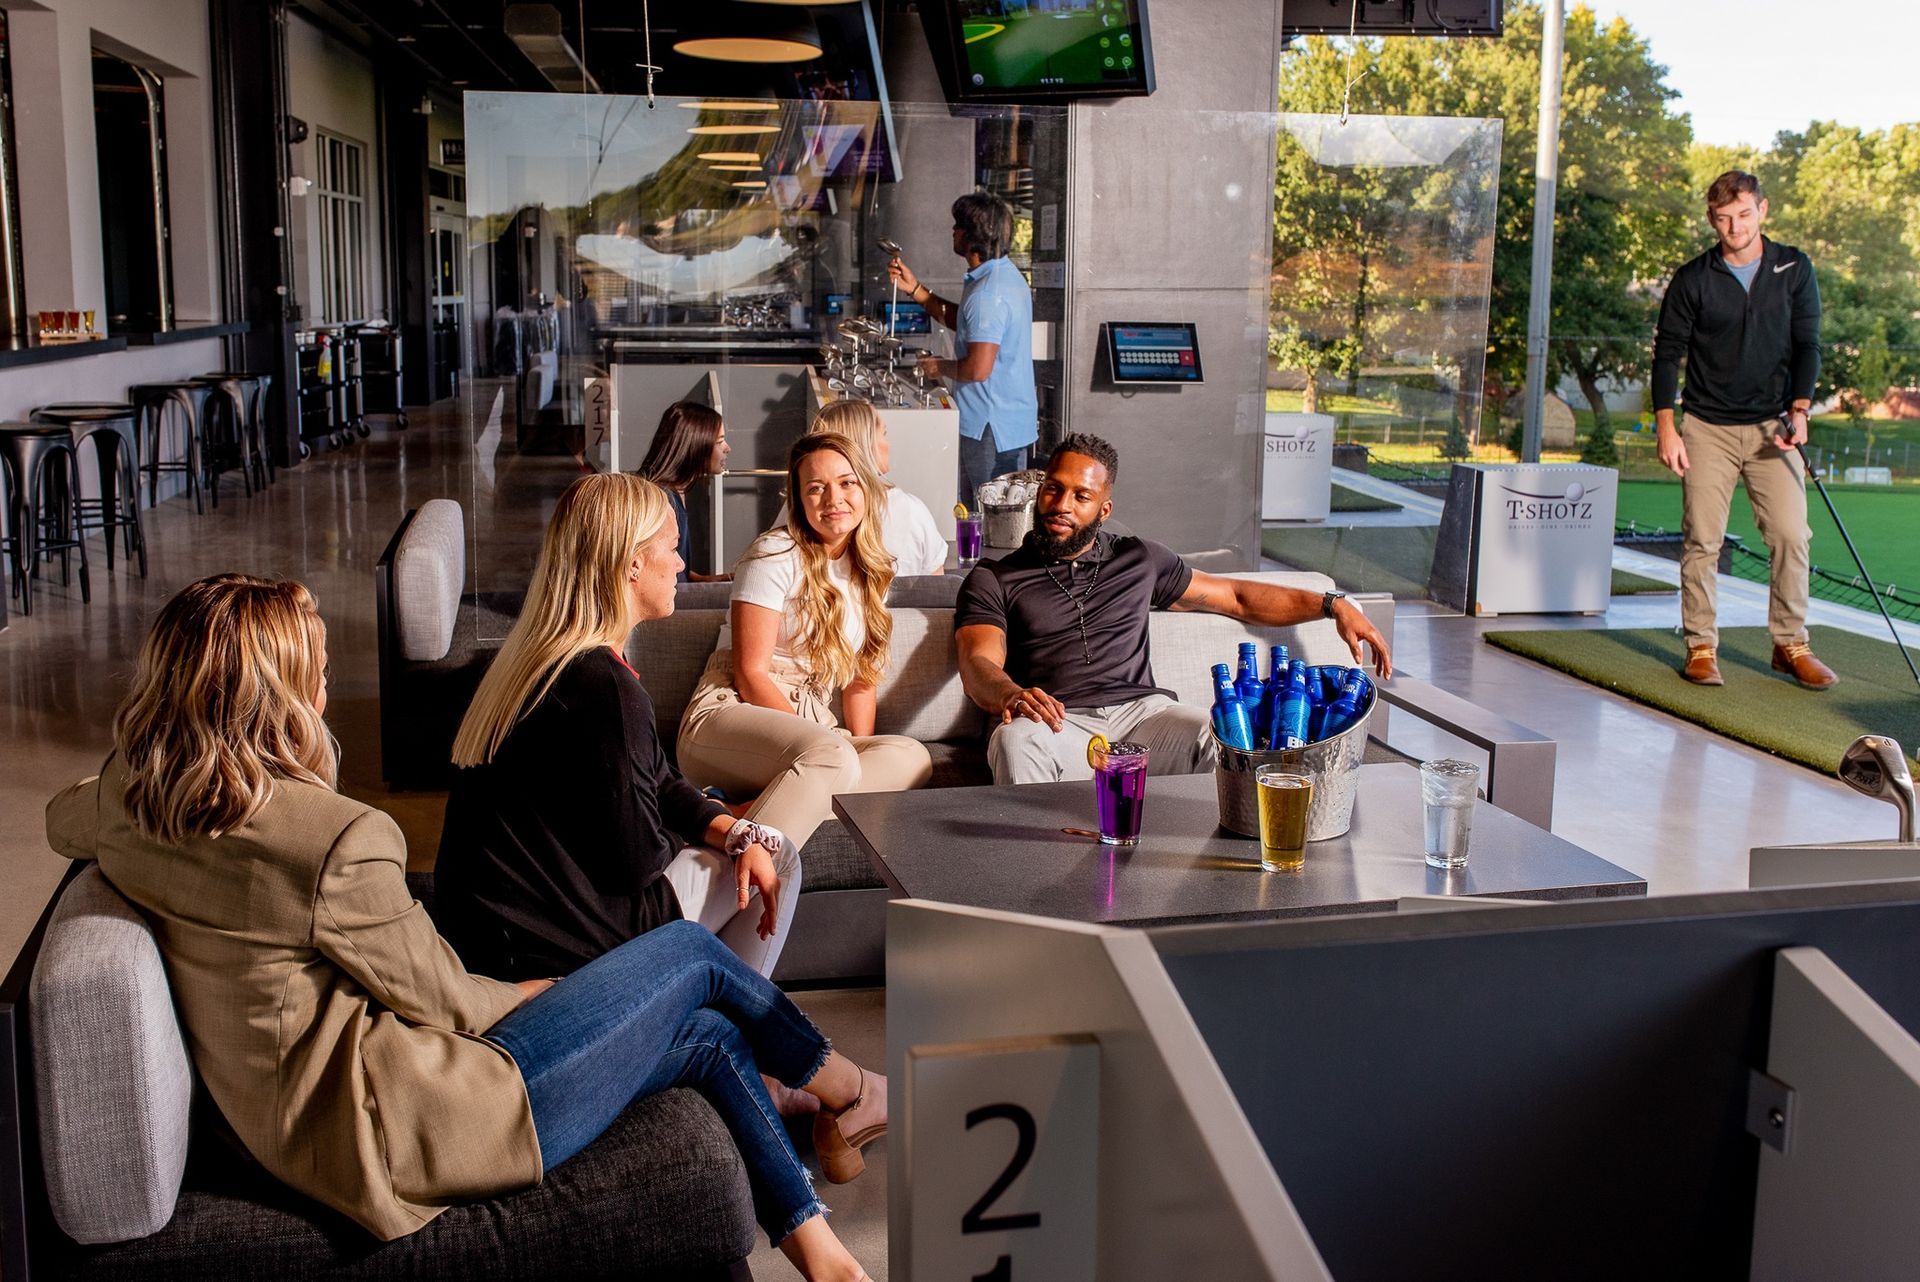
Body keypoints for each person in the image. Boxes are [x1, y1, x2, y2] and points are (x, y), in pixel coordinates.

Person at [44, 574, 883, 1282]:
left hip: (314, 1120)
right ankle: (845, 1086)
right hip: (420, 1125)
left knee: (702, 1032)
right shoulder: (331, 840)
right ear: (280, 695)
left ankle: (821, 1253)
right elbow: (448, 1004)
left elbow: (59, 819)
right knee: (693, 957)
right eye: (319, 674)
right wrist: (539, 993)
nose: (327, 692)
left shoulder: (128, 802)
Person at [438, 473, 800, 980]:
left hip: (500, 936)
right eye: (673, 549)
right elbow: (636, 861)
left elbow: (655, 778)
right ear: (632, 563)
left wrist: (729, 829)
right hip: (565, 945)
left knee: (749, 844)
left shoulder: (537, 661)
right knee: (777, 857)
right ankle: (723, 1018)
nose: (680, 564)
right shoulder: (607, 688)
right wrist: (703, 837)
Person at [955, 434, 1393, 785]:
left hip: (1145, 717)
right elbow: (978, 662)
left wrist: (1333, 604)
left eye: (1081, 496)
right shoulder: (994, 577)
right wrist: (1011, 693)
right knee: (1014, 742)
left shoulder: (1138, 559)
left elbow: (1236, 596)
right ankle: (1025, 881)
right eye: (1054, 489)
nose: (1062, 505)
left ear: (1103, 509)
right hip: (1058, 722)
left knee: (1216, 733)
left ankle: (1209, 879)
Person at [678, 433, 933, 849]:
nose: (834, 498)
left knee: (912, 757)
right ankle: (732, 876)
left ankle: (738, 813)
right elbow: (749, 673)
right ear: (799, 500)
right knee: (833, 758)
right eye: (816, 488)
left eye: (847, 482)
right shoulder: (774, 553)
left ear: (866, 488)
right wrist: (836, 751)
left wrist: (854, 747)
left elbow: (860, 682)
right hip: (734, 712)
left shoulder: (871, 571)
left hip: (815, 731)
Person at [1652, 169, 1833, 690]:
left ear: (1763, 211)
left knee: (1791, 535)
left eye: (1744, 214)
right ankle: (1701, 647)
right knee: (1703, 539)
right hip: (1707, 426)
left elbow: (1808, 345)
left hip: (1774, 427)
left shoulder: (1795, 268)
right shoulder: (1693, 279)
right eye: (1724, 218)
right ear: (1712, 219)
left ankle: (1790, 645)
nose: (1735, 226)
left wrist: (1801, 409)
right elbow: (1667, 355)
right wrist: (1668, 426)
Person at [885, 192, 1037, 506]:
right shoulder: (1003, 277)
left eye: (958, 226)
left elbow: (978, 369)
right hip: (1008, 422)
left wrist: (938, 367)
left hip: (988, 427)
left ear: (972, 236)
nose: (952, 232)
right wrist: (916, 290)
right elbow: (969, 323)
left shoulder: (988, 294)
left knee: (983, 514)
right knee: (1001, 514)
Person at [807, 397, 947, 576]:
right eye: (884, 434)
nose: (888, 444)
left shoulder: (807, 507)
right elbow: (937, 591)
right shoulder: (911, 511)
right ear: (865, 444)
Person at [638, 400, 732, 583]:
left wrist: (720, 580)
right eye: (719, 442)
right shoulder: (662, 501)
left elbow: (680, 573)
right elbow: (659, 580)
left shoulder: (674, 493)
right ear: (696, 446)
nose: (727, 448)